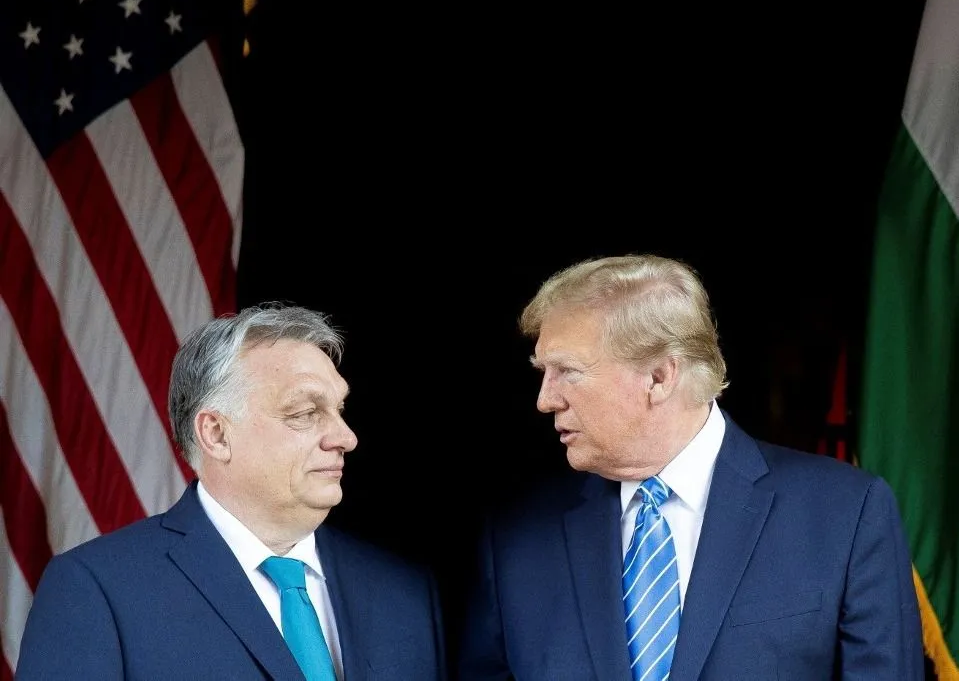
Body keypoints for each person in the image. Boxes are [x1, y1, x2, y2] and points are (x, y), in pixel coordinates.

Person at [457, 254, 923, 680]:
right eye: (544, 373)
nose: (545, 400)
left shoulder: (846, 514)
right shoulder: (515, 542)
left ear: (659, 377)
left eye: (568, 372)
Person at [17, 304, 447, 680]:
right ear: (217, 434)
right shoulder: (97, 592)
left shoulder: (404, 595)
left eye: (338, 410)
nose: (345, 437)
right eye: (305, 412)